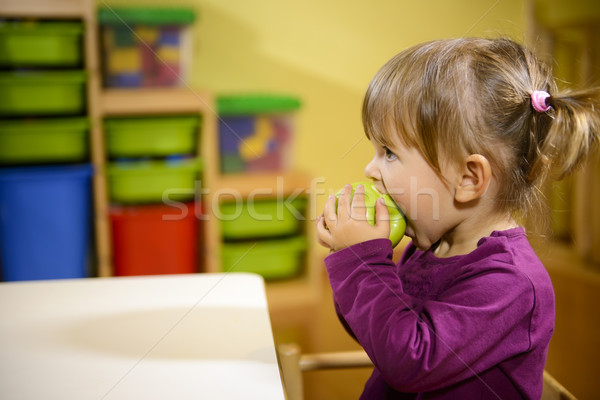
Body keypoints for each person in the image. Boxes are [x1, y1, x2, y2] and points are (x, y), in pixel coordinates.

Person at [316, 37, 600, 399]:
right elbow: (381, 336)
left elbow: (408, 361)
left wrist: (360, 265)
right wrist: (355, 259)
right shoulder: (429, 248)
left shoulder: (511, 284)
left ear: (468, 178)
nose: (370, 169)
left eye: (389, 152)